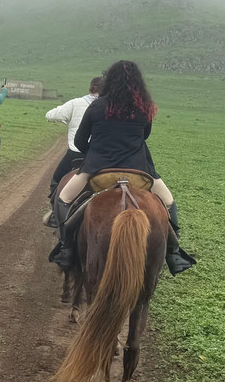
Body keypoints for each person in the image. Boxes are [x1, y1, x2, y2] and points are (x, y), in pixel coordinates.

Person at [50, 60, 196, 275]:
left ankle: (67, 248)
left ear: (110, 80)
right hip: (139, 172)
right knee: (169, 203)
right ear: (138, 82)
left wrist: (99, 148)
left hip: (98, 171)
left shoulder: (97, 106)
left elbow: (80, 143)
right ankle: (174, 252)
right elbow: (144, 135)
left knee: (64, 199)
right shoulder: (144, 107)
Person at [44, 76, 103, 224]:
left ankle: (54, 215)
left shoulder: (76, 103)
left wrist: (64, 119)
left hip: (76, 153)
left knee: (56, 180)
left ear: (91, 87)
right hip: (99, 154)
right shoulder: (109, 106)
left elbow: (50, 115)